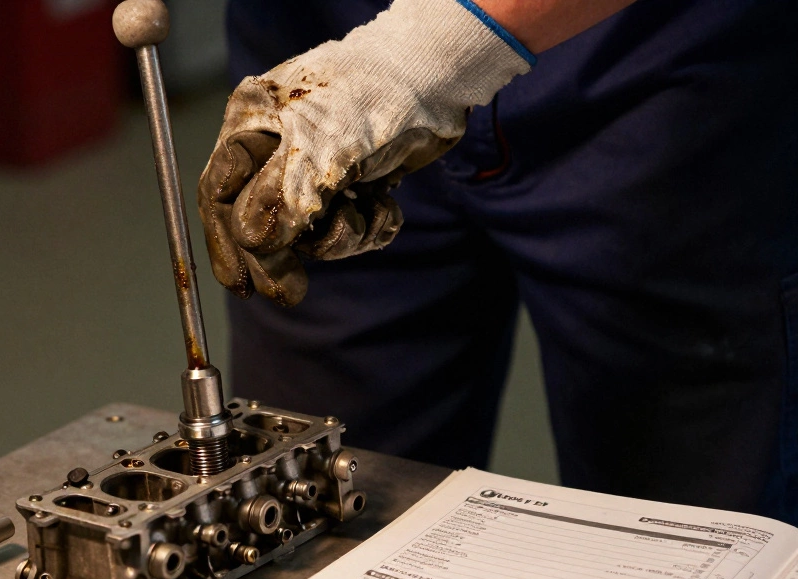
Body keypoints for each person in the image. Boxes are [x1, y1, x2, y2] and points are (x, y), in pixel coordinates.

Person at [197, 0, 798, 522]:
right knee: (310, 508)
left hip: (655, 56)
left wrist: (422, 57)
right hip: (321, 62)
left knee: (688, 541)